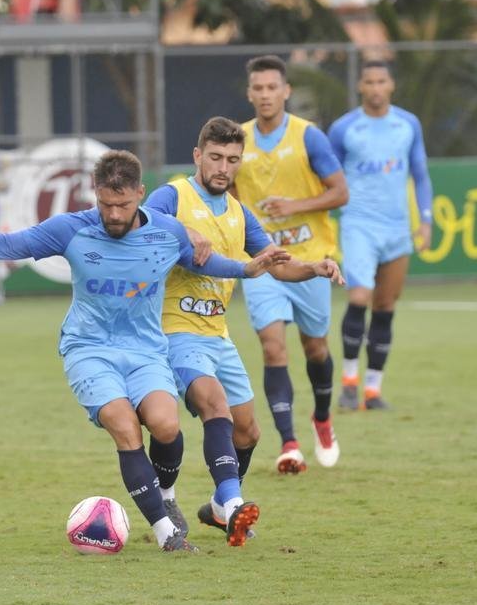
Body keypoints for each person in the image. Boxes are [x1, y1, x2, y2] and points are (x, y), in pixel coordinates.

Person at [0, 150, 290, 553]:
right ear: (95, 194)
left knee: (166, 426)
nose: (113, 214)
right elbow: (11, 242)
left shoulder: (168, 232)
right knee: (125, 426)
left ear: (140, 194)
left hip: (145, 350)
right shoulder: (70, 229)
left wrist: (246, 269)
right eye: (105, 204)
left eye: (123, 205)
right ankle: (166, 532)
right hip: (89, 349)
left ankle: (164, 496)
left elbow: (202, 263)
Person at [144, 117, 345, 543]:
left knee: (248, 430)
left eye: (232, 160)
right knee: (215, 406)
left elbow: (274, 262)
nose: (223, 167)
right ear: (199, 156)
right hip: (174, 330)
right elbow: (141, 218)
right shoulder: (174, 195)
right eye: (215, 157)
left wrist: (315, 267)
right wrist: (186, 228)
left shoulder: (239, 213)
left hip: (218, 335)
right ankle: (233, 504)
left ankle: (218, 507)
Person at [236, 55, 349, 472]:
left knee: (315, 346)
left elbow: (340, 192)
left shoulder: (309, 137)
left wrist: (294, 206)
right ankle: (289, 443)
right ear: (249, 94)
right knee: (272, 346)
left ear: (285, 92)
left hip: (310, 261)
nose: (265, 95)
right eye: (258, 88)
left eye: (272, 88)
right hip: (264, 262)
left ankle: (322, 418)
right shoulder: (239, 141)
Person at [327, 61, 433, 412]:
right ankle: (348, 383)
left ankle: (373, 390)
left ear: (391, 85)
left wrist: (426, 219)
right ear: (360, 86)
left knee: (385, 306)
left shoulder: (407, 124)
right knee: (359, 297)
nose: (375, 87)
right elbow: (328, 177)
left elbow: (420, 173)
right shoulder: (344, 128)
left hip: (397, 227)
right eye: (369, 81)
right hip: (358, 224)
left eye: (381, 81)